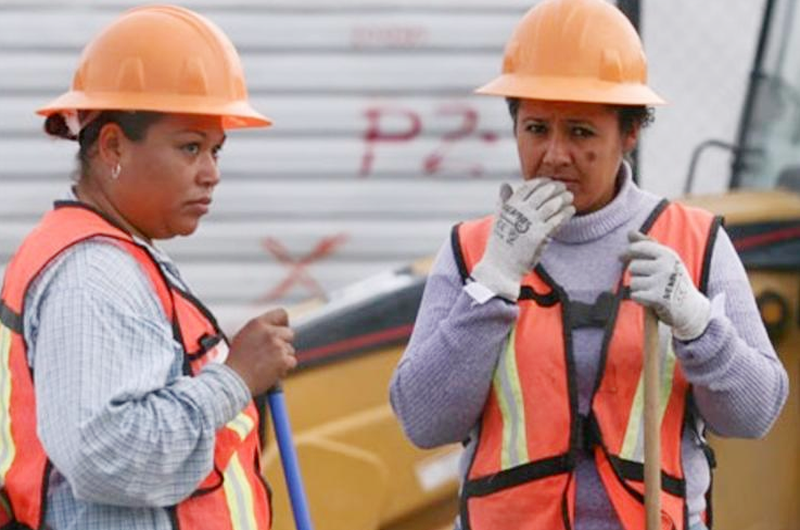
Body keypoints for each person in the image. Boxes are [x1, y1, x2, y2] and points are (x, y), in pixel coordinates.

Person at [389, 0, 789, 529]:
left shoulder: (694, 243)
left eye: (580, 132)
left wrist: (697, 324)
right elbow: (422, 420)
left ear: (629, 134)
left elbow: (755, 415)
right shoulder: (474, 251)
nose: (554, 154)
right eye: (536, 128)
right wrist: (493, 284)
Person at [0, 5, 297, 529]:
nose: (211, 174)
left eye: (216, 151)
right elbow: (107, 455)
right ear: (112, 144)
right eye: (190, 148)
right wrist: (236, 378)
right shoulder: (92, 275)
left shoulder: (117, 255)